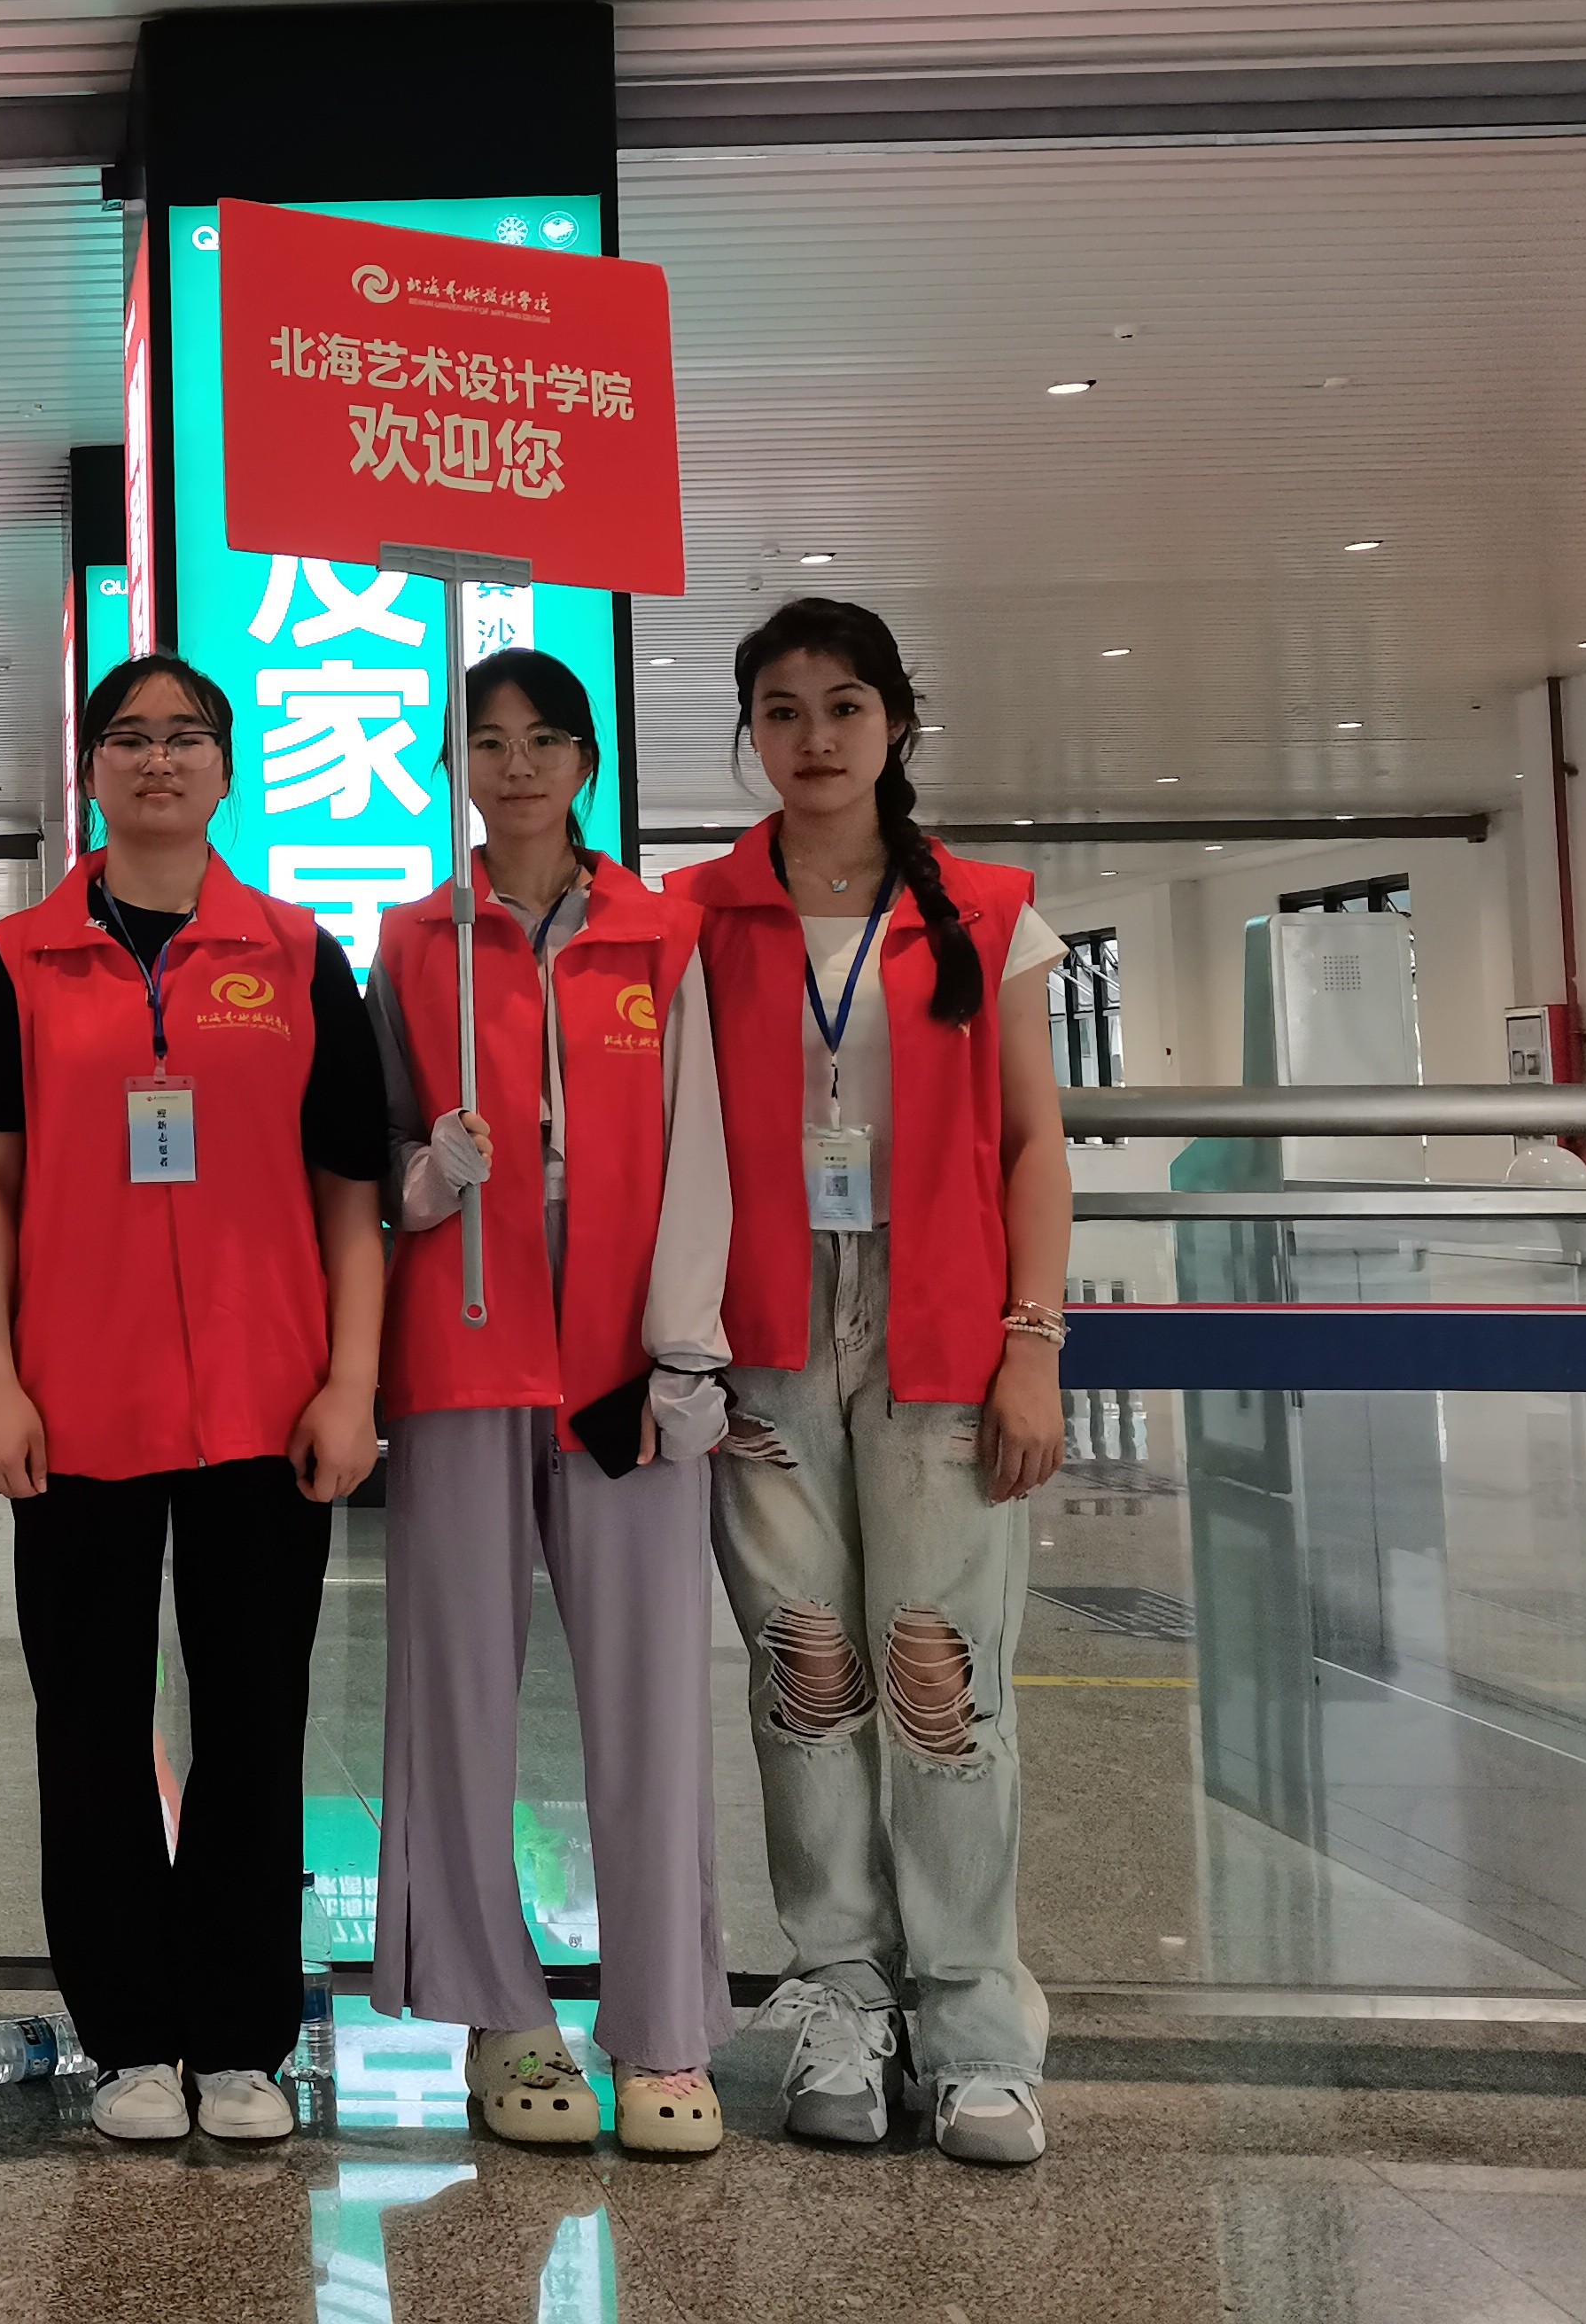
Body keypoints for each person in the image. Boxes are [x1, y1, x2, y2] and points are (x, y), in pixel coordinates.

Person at [0, 654, 390, 2149]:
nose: (160, 758)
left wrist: (351, 1385)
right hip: (75, 1403)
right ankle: (128, 2035)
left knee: (255, 1722)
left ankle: (241, 2039)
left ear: (228, 768)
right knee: (91, 1728)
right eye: (130, 736)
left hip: (267, 1400)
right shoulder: (21, 959)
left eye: (188, 736)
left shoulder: (300, 954)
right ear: (94, 770)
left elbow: (351, 1195)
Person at [665, 597, 1071, 2166]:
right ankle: (844, 1996)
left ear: (896, 720)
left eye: (844, 706)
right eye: (782, 711)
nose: (815, 738)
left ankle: (976, 2029)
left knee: (941, 1677)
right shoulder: (698, 917)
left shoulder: (987, 911)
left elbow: (1033, 1143)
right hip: (763, 1334)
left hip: (942, 1325)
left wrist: (1034, 1343)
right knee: (806, 1669)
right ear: (751, 735)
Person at [364, 649, 735, 2158]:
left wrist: (687, 1350)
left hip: (629, 1361)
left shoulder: (665, 937)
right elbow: (372, 1170)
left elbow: (705, 1148)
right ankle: (496, 2013)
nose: (513, 767)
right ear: (455, 765)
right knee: (455, 1686)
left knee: (650, 1698)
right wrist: (431, 1178)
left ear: (585, 762)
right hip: (462, 1347)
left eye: (542, 741)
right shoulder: (412, 944)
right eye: (486, 741)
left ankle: (663, 2028)